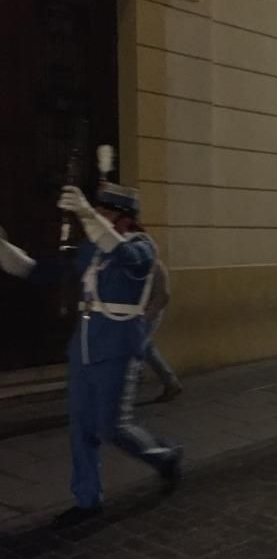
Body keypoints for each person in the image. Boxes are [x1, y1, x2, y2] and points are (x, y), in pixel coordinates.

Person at [0, 180, 183, 526]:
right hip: (84, 347)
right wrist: (3, 250)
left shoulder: (142, 248)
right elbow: (39, 271)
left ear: (124, 218)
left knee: (112, 427)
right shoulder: (91, 250)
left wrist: (85, 213)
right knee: (81, 427)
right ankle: (87, 499)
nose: (97, 217)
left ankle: (165, 456)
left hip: (117, 346)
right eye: (96, 210)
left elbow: (121, 253)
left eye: (104, 211)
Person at [142, 259, 183, 402]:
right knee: (147, 348)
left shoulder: (156, 266)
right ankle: (171, 383)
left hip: (148, 315)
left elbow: (163, 295)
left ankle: (171, 383)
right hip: (142, 315)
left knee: (140, 348)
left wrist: (148, 316)